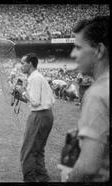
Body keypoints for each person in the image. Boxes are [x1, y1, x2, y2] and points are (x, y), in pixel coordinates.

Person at [57, 16, 109, 182]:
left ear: (99, 50)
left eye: (78, 48)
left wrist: (70, 178)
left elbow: (88, 165)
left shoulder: (98, 93)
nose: (73, 54)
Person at [18, 53, 55, 182]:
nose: (21, 66)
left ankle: (30, 179)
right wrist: (20, 94)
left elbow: (34, 102)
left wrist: (22, 90)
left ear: (31, 64)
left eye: (23, 63)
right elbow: (34, 100)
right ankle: (43, 178)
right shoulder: (36, 77)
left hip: (39, 115)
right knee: (38, 150)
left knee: (27, 151)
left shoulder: (35, 78)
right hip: (45, 115)